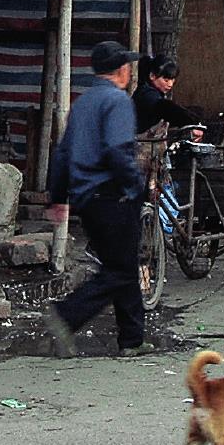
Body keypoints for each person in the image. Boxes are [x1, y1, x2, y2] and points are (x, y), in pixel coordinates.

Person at [43, 41, 153, 358]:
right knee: (118, 271)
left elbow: (62, 153)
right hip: (112, 195)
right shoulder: (117, 101)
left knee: (122, 264)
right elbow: (117, 151)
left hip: (87, 198)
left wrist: (58, 197)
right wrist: (135, 186)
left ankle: (132, 339)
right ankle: (66, 315)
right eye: (128, 67)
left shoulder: (83, 102)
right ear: (121, 71)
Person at [133, 57, 203, 133]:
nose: (170, 84)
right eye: (166, 80)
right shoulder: (147, 94)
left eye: (172, 80)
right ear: (152, 76)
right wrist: (191, 123)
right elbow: (165, 107)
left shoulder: (154, 92)